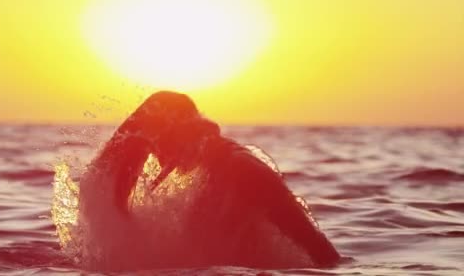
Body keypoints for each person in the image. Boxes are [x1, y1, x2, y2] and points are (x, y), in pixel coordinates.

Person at [82, 90, 340, 268]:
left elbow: (321, 254)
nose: (157, 160)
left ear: (175, 134)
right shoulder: (212, 168)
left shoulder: (243, 169)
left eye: (156, 147)